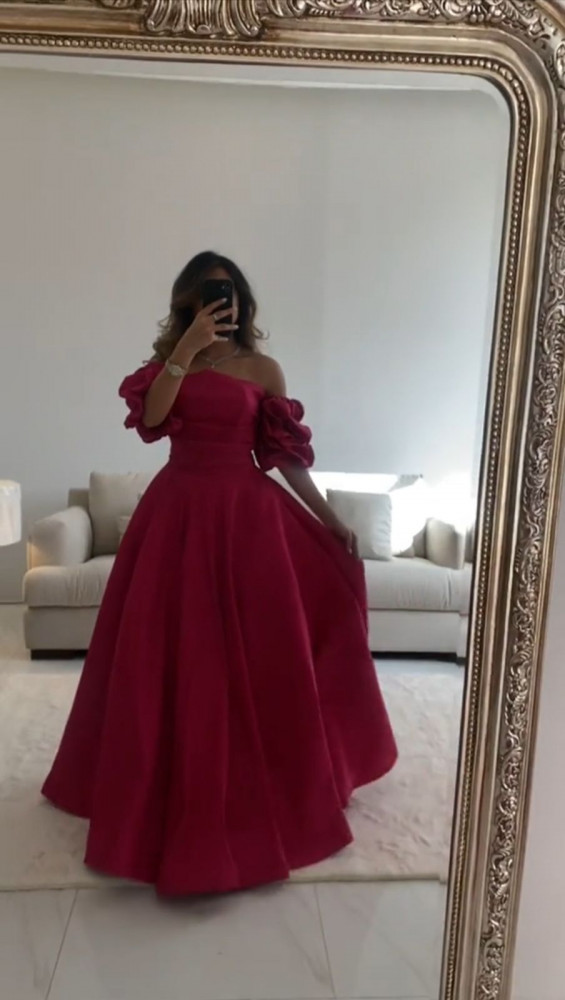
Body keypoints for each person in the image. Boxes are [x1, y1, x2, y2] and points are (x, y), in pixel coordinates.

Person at [43, 251, 397, 895]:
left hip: (247, 518)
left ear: (243, 301)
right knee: (164, 653)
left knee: (261, 653)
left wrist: (327, 517)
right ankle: (152, 789)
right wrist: (186, 350)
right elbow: (153, 421)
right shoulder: (167, 364)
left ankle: (279, 783)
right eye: (209, 293)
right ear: (187, 300)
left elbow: (283, 458)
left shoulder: (263, 369)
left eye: (229, 292)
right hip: (175, 515)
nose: (220, 302)